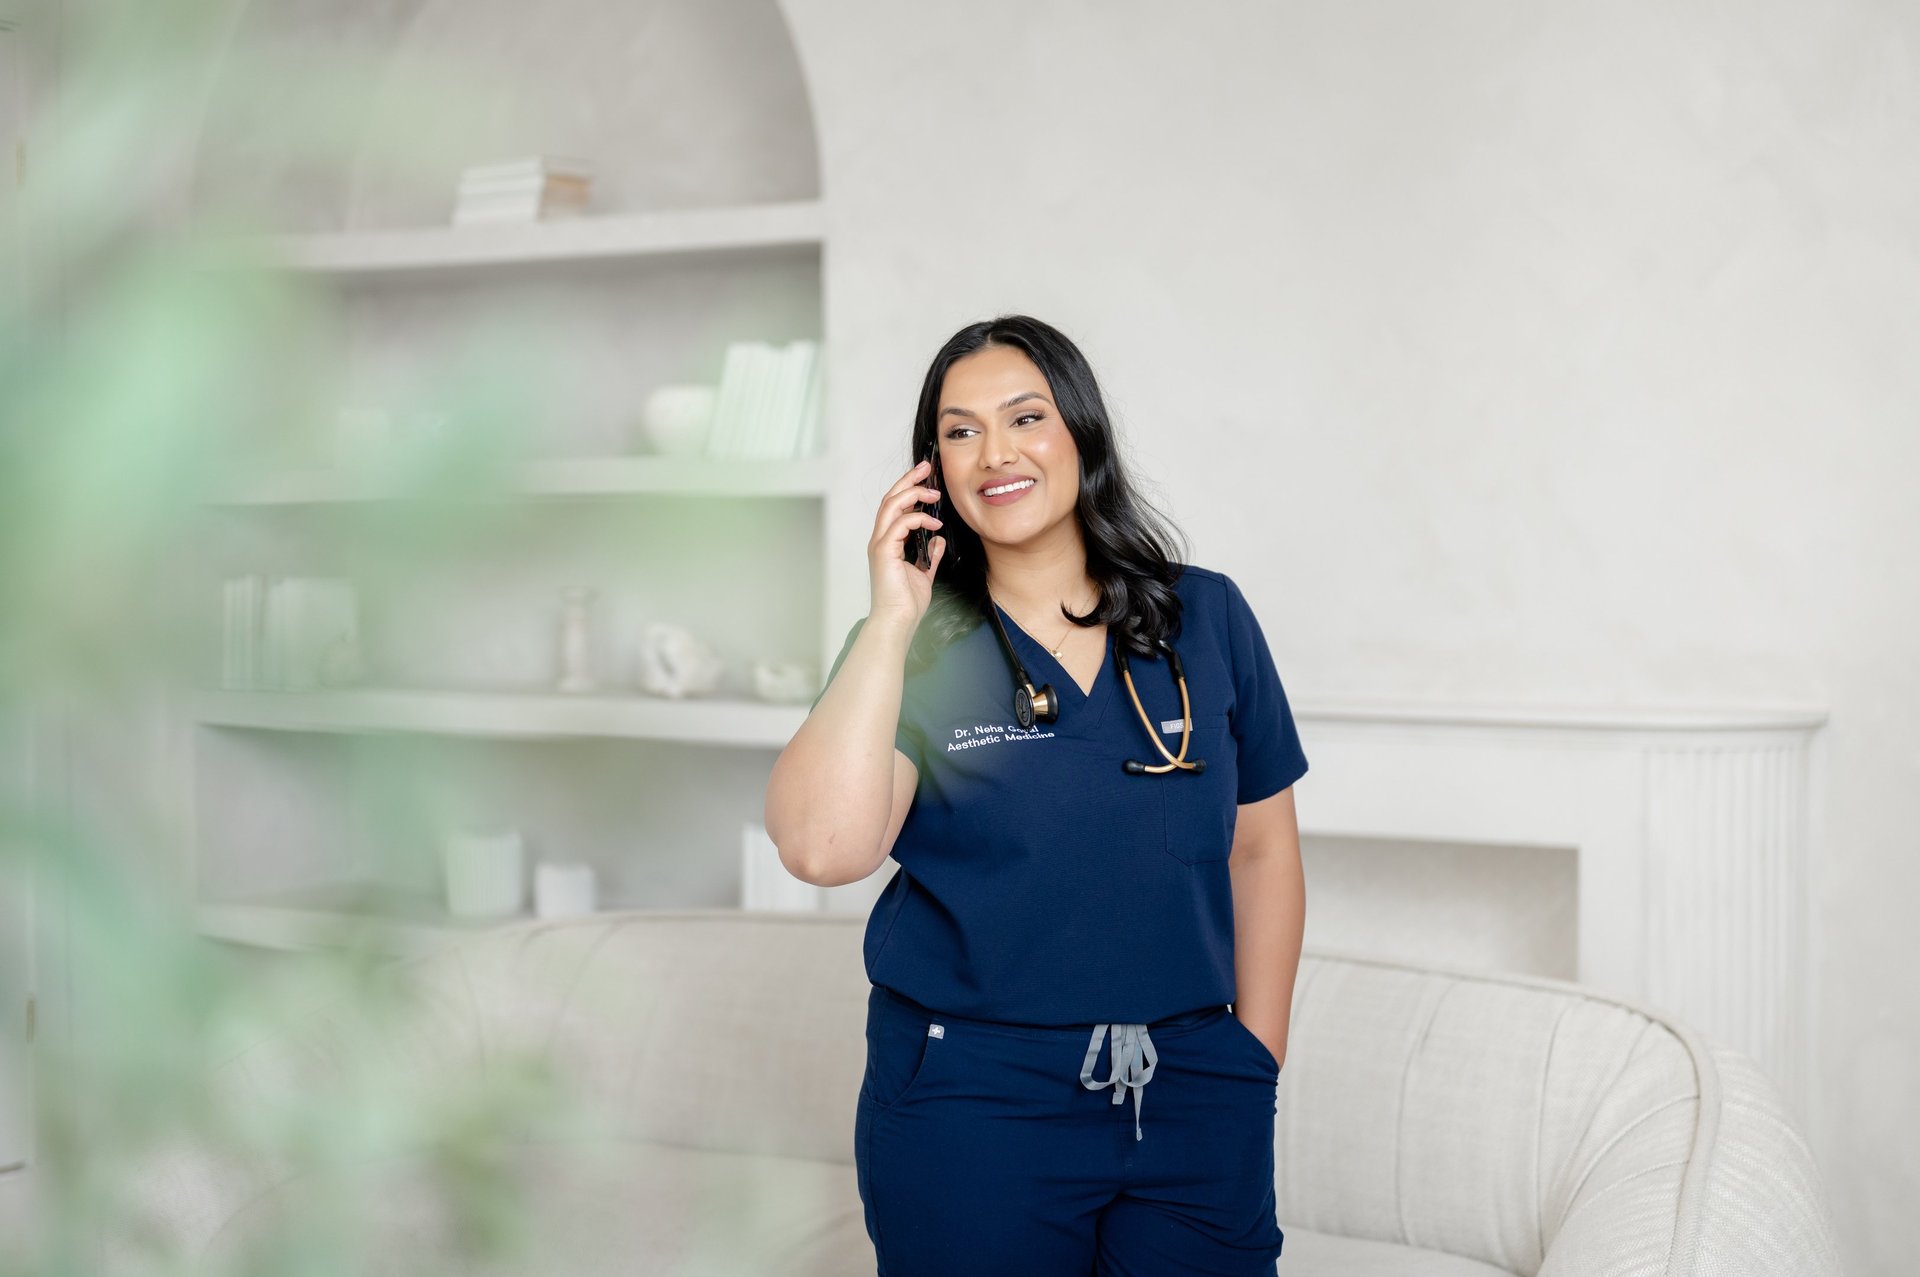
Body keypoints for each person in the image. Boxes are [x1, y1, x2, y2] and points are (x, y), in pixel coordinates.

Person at [764, 315, 1308, 1276]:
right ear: (931, 468)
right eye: (960, 430)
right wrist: (893, 619)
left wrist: (1249, 1066)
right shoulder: (915, 649)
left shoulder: (1206, 616)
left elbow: (1261, 850)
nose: (995, 453)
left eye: (1025, 417)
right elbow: (822, 848)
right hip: (972, 1105)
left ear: (1082, 435)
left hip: (1192, 1093)